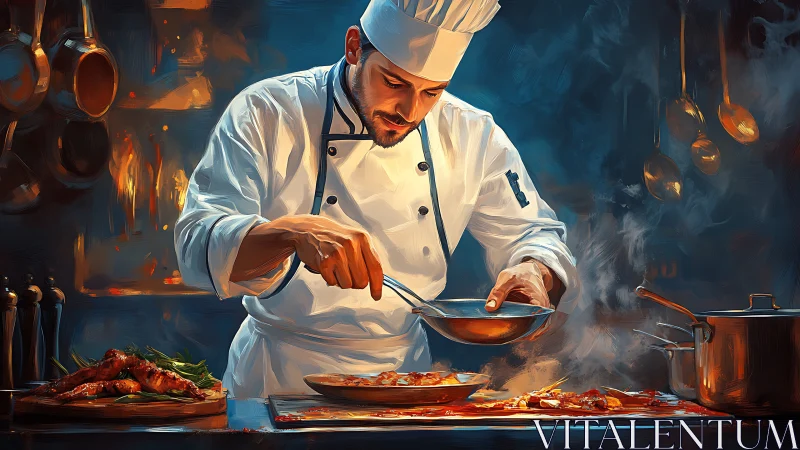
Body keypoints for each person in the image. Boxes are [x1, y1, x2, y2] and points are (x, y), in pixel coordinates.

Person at [175, 0, 579, 398]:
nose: (409, 110)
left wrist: (533, 271)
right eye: (393, 83)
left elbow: (536, 234)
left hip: (405, 381)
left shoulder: (473, 134)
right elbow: (197, 243)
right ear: (354, 47)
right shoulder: (269, 111)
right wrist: (292, 232)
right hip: (277, 375)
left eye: (431, 92)